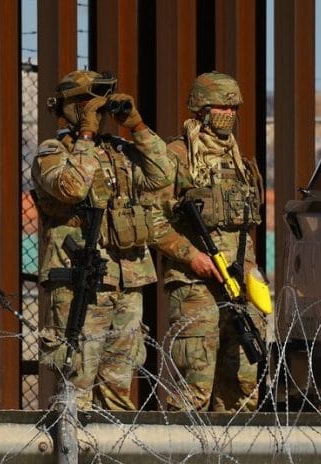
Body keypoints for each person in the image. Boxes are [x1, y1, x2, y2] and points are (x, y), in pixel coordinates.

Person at [33, 70, 174, 411]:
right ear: (70, 107)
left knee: (119, 383)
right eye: (87, 102)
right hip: (82, 280)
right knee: (78, 379)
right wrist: (86, 134)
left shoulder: (120, 151)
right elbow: (71, 188)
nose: (97, 109)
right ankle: (71, 440)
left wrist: (137, 126)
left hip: (128, 277)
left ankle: (115, 440)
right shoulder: (53, 151)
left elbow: (163, 174)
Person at [150, 71, 268, 412]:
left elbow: (245, 227)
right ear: (201, 109)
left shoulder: (240, 162)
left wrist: (251, 275)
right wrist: (192, 257)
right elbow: (153, 221)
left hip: (239, 283)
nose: (229, 114)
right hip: (195, 284)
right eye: (222, 107)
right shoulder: (176, 156)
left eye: (234, 108)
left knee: (242, 388)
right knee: (195, 387)